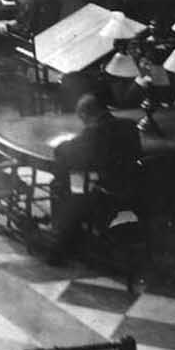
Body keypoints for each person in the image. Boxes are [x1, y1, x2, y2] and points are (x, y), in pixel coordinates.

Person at [46, 94, 142, 264]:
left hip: (107, 193)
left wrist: (68, 143)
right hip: (134, 187)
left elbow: (63, 152)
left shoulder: (93, 133)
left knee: (66, 184)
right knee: (77, 180)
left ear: (84, 115)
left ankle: (62, 244)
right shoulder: (129, 126)